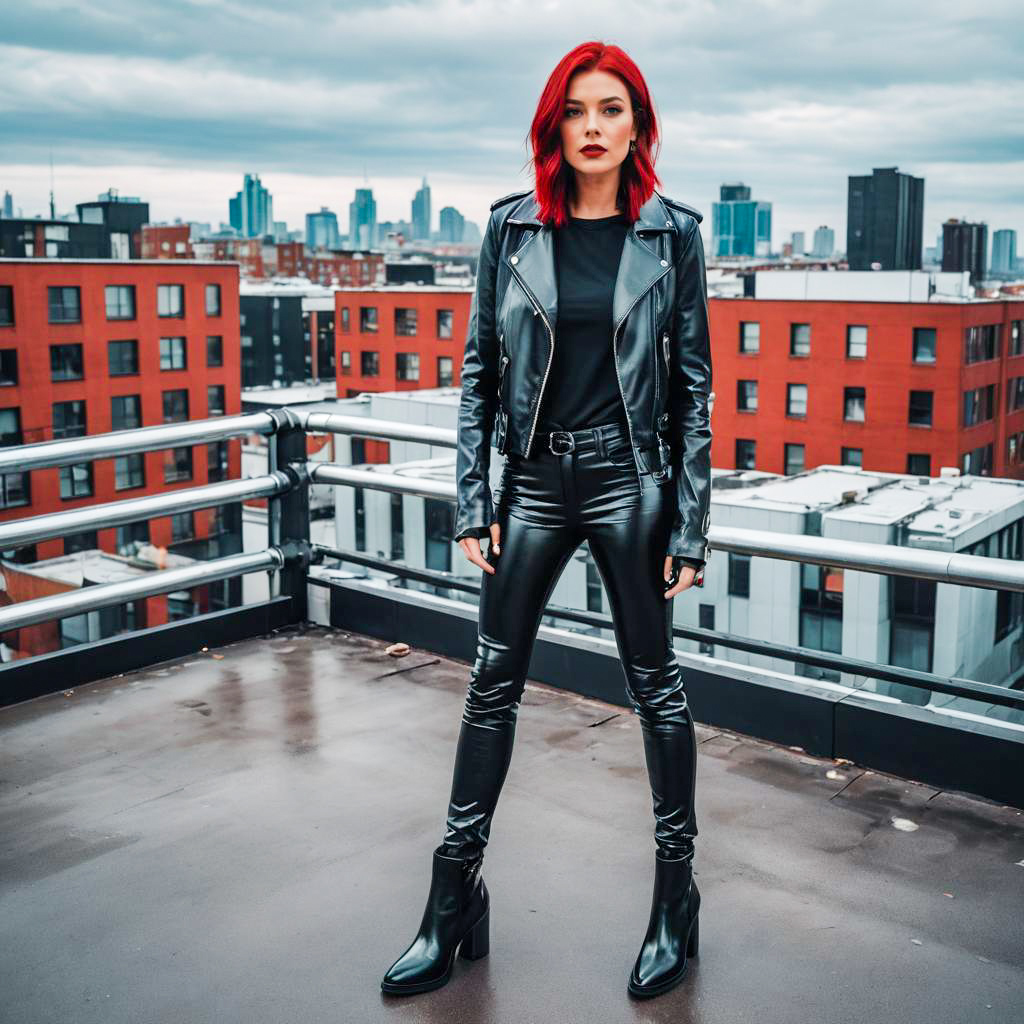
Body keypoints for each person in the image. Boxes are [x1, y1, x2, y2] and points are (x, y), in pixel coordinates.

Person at [381, 39, 712, 1001]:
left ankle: (674, 899)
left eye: (612, 110)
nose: (594, 127)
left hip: (631, 484)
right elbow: (480, 372)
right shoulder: (511, 230)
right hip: (529, 484)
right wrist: (473, 501)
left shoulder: (672, 236)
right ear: (554, 126)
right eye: (578, 111)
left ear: (637, 125)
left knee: (656, 689)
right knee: (491, 683)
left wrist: (691, 523)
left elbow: (694, 390)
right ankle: (451, 903)